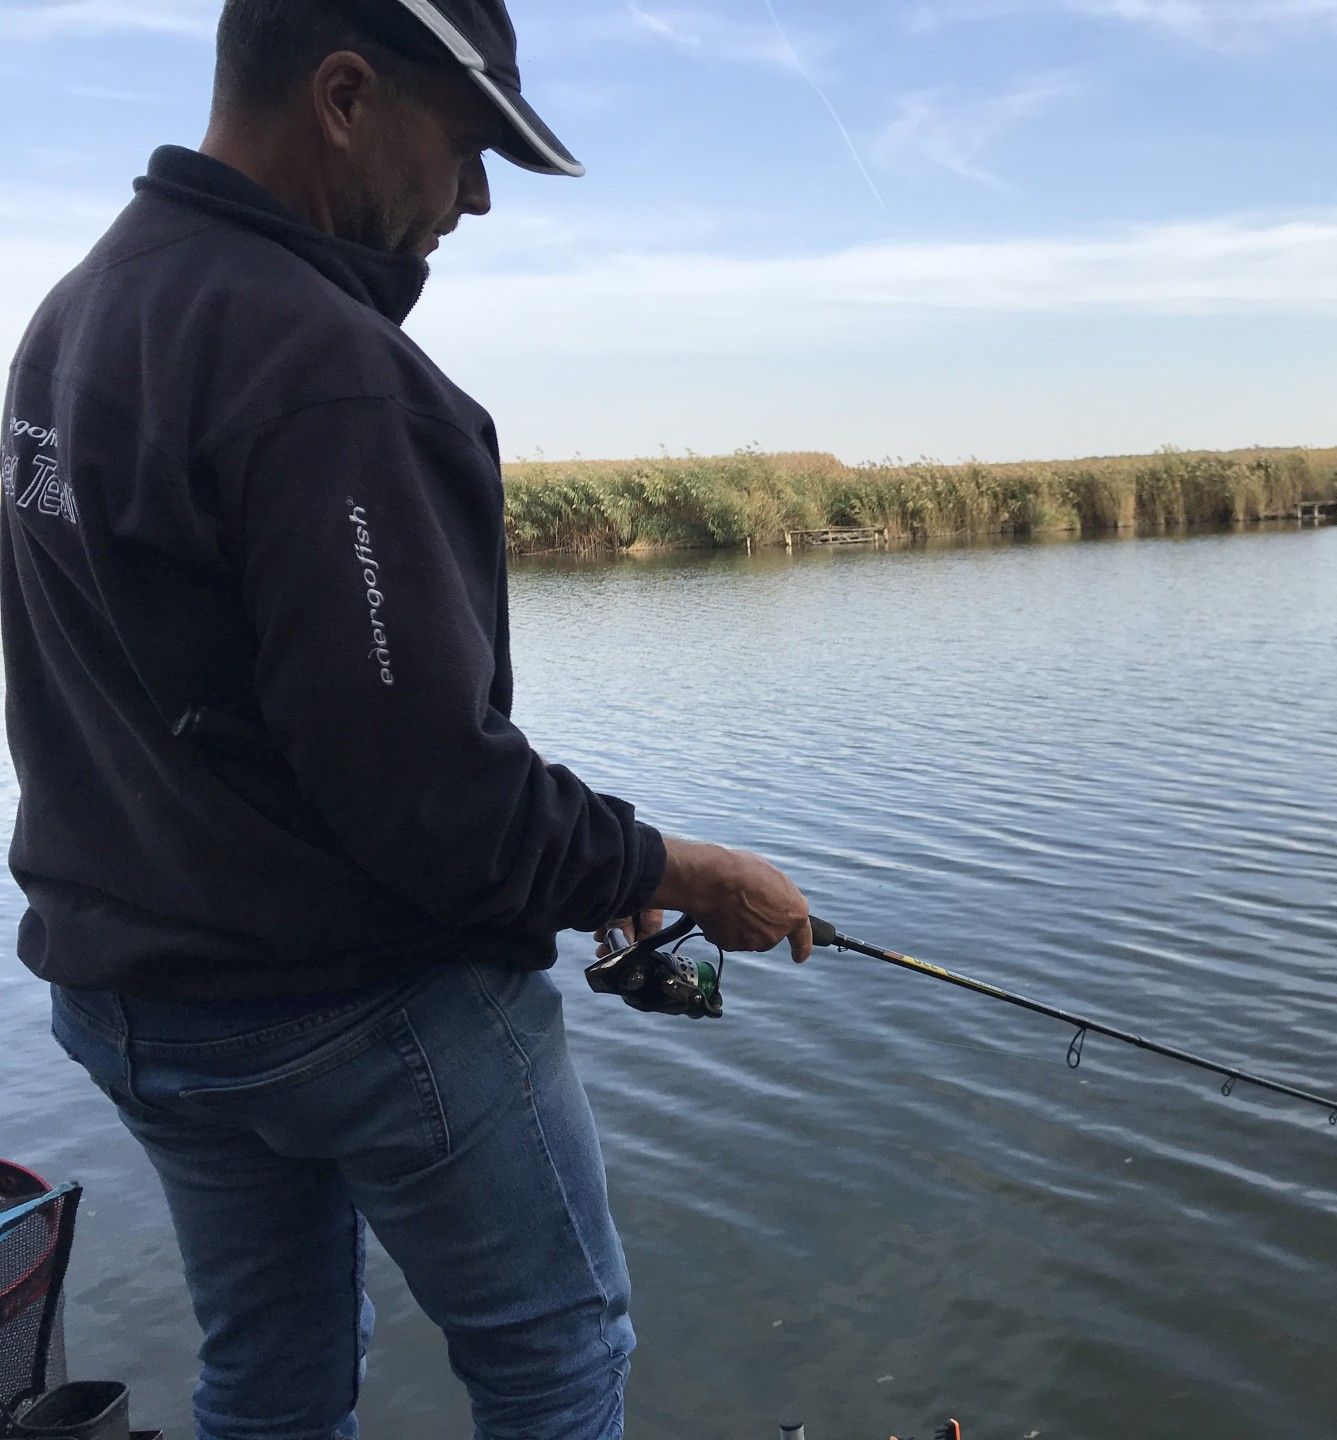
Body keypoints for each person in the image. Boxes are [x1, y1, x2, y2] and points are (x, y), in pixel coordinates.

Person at [0, 1, 812, 1436]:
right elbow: (439, 801)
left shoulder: (73, 320)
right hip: (359, 1007)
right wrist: (670, 870)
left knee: (271, 1364)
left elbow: (242, 713)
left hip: (136, 1006)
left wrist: (592, 869)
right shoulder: (330, 371)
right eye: (471, 141)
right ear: (345, 95)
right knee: (559, 1353)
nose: (480, 195)